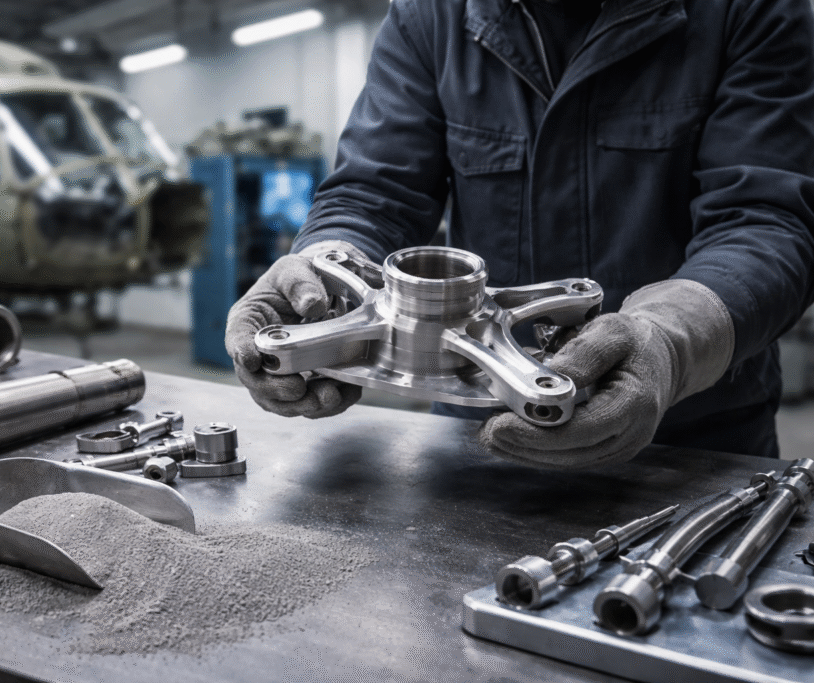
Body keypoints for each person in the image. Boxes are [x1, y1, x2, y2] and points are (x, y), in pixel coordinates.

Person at [225, 0, 814, 469]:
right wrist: (323, 263)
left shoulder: (750, 9)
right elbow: (374, 193)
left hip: (693, 442)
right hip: (476, 441)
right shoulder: (433, 16)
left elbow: (767, 220)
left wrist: (667, 343)